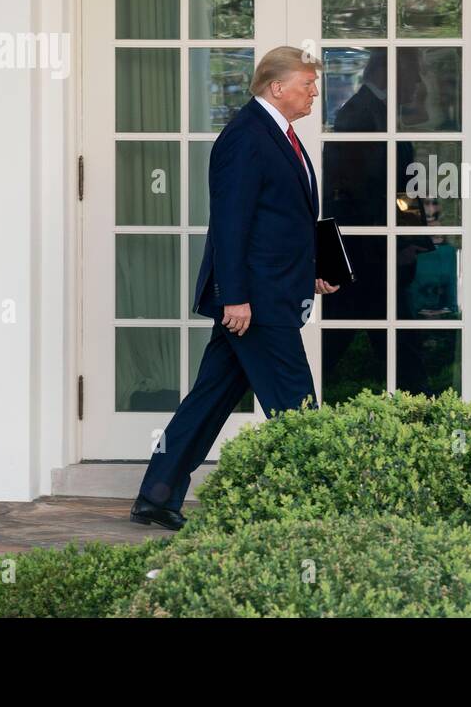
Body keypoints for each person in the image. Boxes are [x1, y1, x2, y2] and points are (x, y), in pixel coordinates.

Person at [130, 46, 339, 530]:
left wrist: (307, 270)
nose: (313, 92)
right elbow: (229, 224)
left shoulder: (280, 135)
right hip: (257, 302)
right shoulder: (245, 136)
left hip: (272, 289)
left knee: (210, 399)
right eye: (307, 83)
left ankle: (156, 496)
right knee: (296, 403)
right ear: (276, 87)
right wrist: (234, 295)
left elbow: (277, 222)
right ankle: (325, 505)